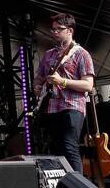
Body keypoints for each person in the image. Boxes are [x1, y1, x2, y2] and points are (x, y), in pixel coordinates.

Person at [33, 12, 95, 173]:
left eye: (59, 29)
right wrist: (37, 87)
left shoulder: (82, 54)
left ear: (70, 30)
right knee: (57, 151)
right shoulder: (48, 55)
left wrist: (63, 81)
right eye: (53, 29)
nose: (55, 32)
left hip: (72, 106)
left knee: (69, 147)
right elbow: (38, 78)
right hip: (52, 108)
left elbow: (88, 85)